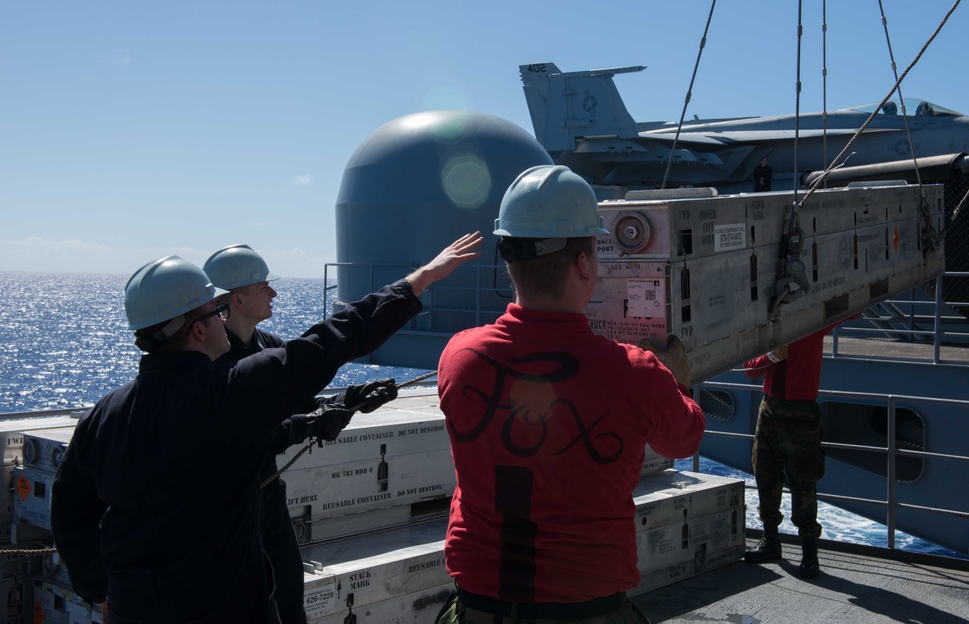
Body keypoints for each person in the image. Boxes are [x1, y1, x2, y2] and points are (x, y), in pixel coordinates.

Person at [50, 233, 482, 623]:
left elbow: (70, 510)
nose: (222, 317)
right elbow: (329, 341)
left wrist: (96, 587)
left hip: (133, 607)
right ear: (199, 329)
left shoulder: (102, 415)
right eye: (213, 313)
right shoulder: (231, 395)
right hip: (219, 605)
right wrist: (417, 281)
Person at [435, 165, 705, 624]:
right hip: (586, 609)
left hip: (481, 607)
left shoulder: (459, 355)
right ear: (584, 264)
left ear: (510, 261)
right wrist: (674, 378)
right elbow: (685, 439)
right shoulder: (635, 373)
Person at [202, 244, 393, 624]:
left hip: (267, 497)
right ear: (237, 298)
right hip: (226, 505)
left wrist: (349, 401)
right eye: (263, 287)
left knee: (289, 597)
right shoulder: (212, 360)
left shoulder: (268, 345)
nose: (273, 293)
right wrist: (312, 424)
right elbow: (243, 435)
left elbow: (300, 405)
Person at [742, 319, 851, 579]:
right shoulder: (770, 328)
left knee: (804, 482)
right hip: (770, 409)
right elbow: (750, 369)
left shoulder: (813, 322)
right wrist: (770, 356)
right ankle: (772, 542)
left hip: (800, 412)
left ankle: (809, 554)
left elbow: (852, 310)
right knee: (765, 475)